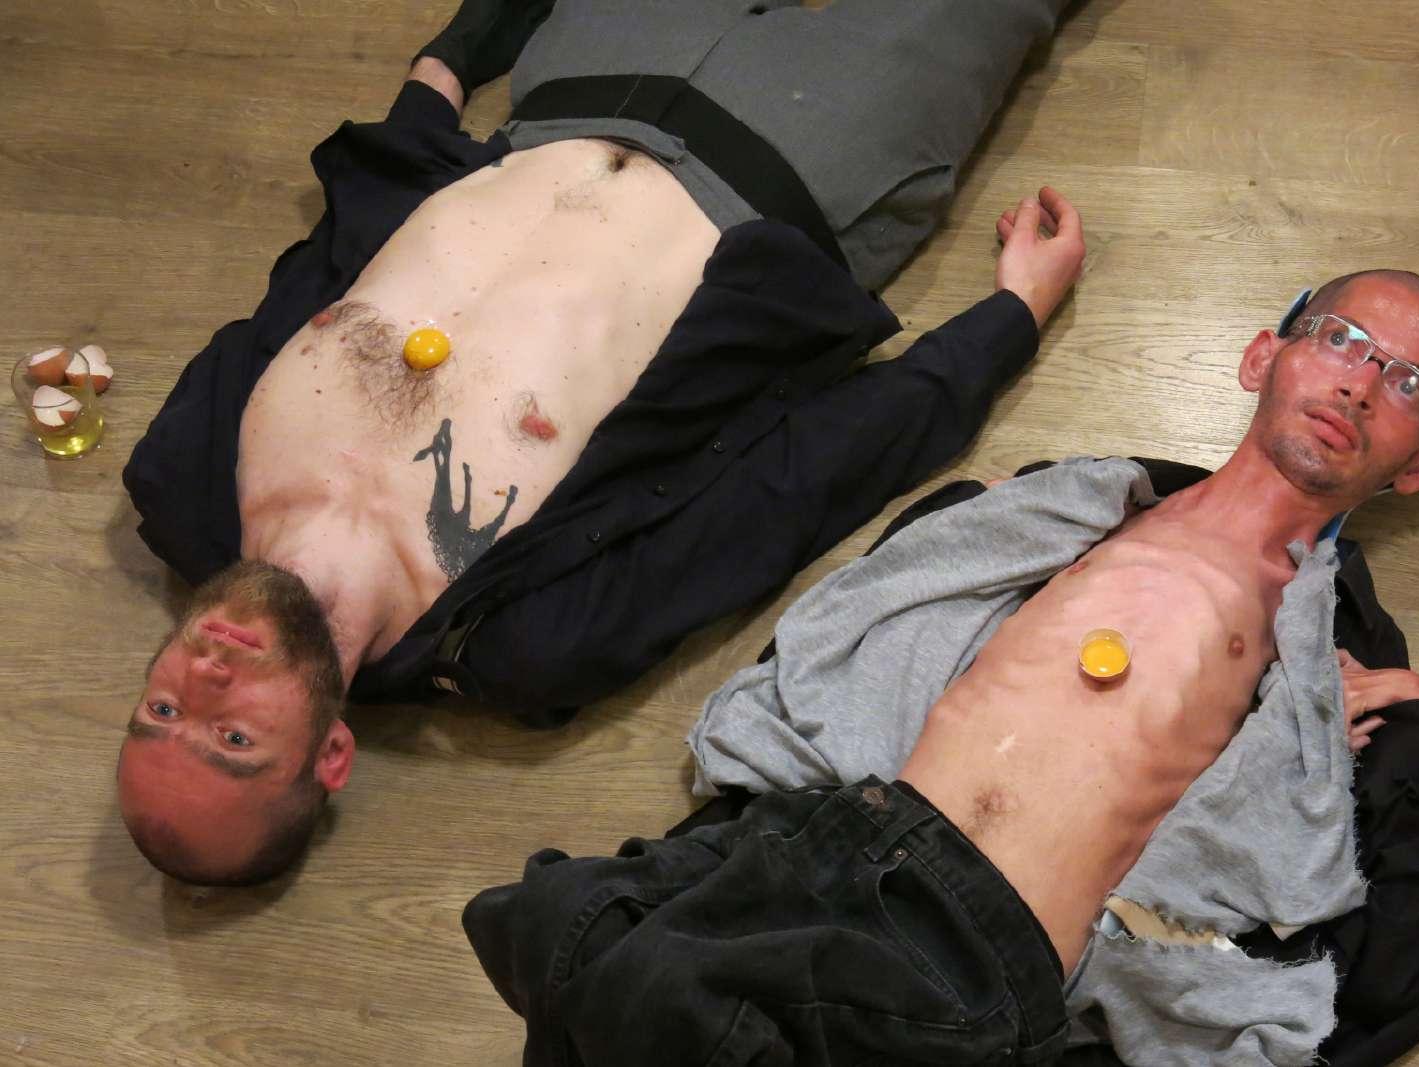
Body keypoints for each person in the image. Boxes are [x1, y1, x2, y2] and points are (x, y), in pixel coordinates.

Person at [117, 0, 1081, 886]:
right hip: (796, 160)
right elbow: (791, 488)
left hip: (579, 85)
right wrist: (1009, 320)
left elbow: (322, 266)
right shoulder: (527, 638)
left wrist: (442, 71)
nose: (204, 679)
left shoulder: (183, 478)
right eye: (233, 738)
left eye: (162, 711)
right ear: (331, 754)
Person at [461, 269, 1419, 1065]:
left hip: (975, 946)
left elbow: (1296, 839)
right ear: (1263, 355)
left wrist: (1322, 742)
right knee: (558, 920)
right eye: (1341, 339)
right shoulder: (1071, 514)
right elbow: (917, 594)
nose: (1359, 383)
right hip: (833, 836)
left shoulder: (1311, 644)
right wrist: (977, 514)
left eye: (1407, 384)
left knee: (654, 1000)